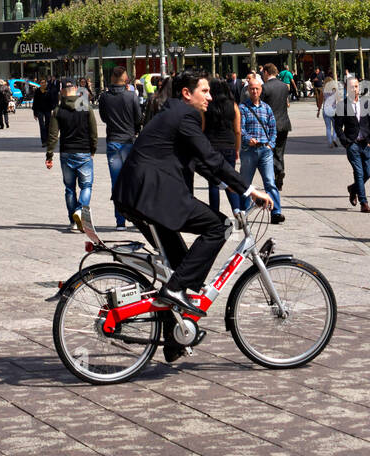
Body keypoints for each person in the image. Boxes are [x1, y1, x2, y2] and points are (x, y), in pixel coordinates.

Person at [113, 71, 272, 326]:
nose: (210, 97)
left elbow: (196, 161)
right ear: (187, 94)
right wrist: (248, 189)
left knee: (178, 268)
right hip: (150, 196)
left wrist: (224, 184)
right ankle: (175, 291)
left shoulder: (173, 113)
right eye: (204, 91)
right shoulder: (186, 115)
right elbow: (211, 157)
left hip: (136, 196)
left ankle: (174, 336)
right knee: (218, 226)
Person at [45, 81, 98, 231]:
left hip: (66, 153)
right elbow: (93, 133)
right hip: (84, 152)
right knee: (86, 186)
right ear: (76, 90)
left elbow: (53, 135)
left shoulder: (57, 110)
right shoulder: (86, 107)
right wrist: (93, 149)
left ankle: (73, 222)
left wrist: (49, 155)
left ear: (62, 92)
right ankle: (80, 210)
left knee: (69, 188)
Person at [97, 66, 142, 229]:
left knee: (116, 182)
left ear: (111, 79)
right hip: (129, 142)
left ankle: (120, 221)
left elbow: (103, 117)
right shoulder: (131, 96)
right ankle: (136, 218)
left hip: (113, 142)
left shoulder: (104, 97)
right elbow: (138, 118)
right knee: (133, 181)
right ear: (125, 79)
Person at [239, 73, 283, 223]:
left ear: (261, 90)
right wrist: (247, 139)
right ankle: (243, 213)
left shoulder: (266, 108)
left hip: (265, 150)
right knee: (245, 183)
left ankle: (276, 212)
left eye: (257, 89)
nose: (254, 92)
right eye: (252, 89)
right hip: (248, 151)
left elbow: (273, 128)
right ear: (248, 91)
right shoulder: (243, 108)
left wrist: (271, 144)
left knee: (270, 182)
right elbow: (240, 128)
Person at [329, 75, 370, 212]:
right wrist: (346, 142)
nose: (354, 89)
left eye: (356, 86)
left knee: (368, 173)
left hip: (365, 144)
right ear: (346, 89)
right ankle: (364, 202)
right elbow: (338, 127)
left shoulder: (365, 103)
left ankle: (353, 188)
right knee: (359, 173)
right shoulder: (342, 105)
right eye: (351, 87)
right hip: (352, 144)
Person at [202, 77, 241, 214]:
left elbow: (202, 128)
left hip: (212, 146)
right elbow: (237, 130)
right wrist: (237, 148)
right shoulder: (233, 105)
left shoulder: (207, 106)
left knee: (213, 183)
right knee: (230, 180)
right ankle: (236, 210)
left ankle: (215, 213)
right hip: (229, 145)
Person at [261, 62, 292, 193]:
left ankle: (278, 172)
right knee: (280, 152)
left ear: (267, 72)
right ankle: (280, 176)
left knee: (269, 152)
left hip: (270, 125)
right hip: (284, 123)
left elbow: (261, 106)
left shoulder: (265, 87)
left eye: (263, 73)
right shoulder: (284, 87)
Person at [321, 72, 339, 146]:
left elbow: (321, 100)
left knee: (328, 127)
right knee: (335, 127)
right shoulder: (335, 90)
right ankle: (334, 139)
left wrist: (319, 110)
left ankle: (330, 142)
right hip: (334, 109)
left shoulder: (323, 90)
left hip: (326, 109)